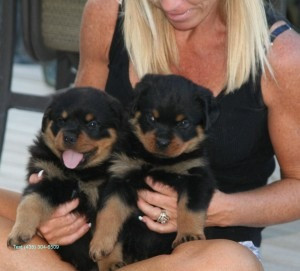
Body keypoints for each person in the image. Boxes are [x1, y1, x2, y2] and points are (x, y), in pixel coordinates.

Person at [1, 0, 300, 270]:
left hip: (197, 250)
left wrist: (219, 210)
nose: (169, 4)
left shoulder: (283, 56)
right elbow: (75, 126)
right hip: (94, 223)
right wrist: (52, 214)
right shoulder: (109, 11)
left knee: (230, 265)